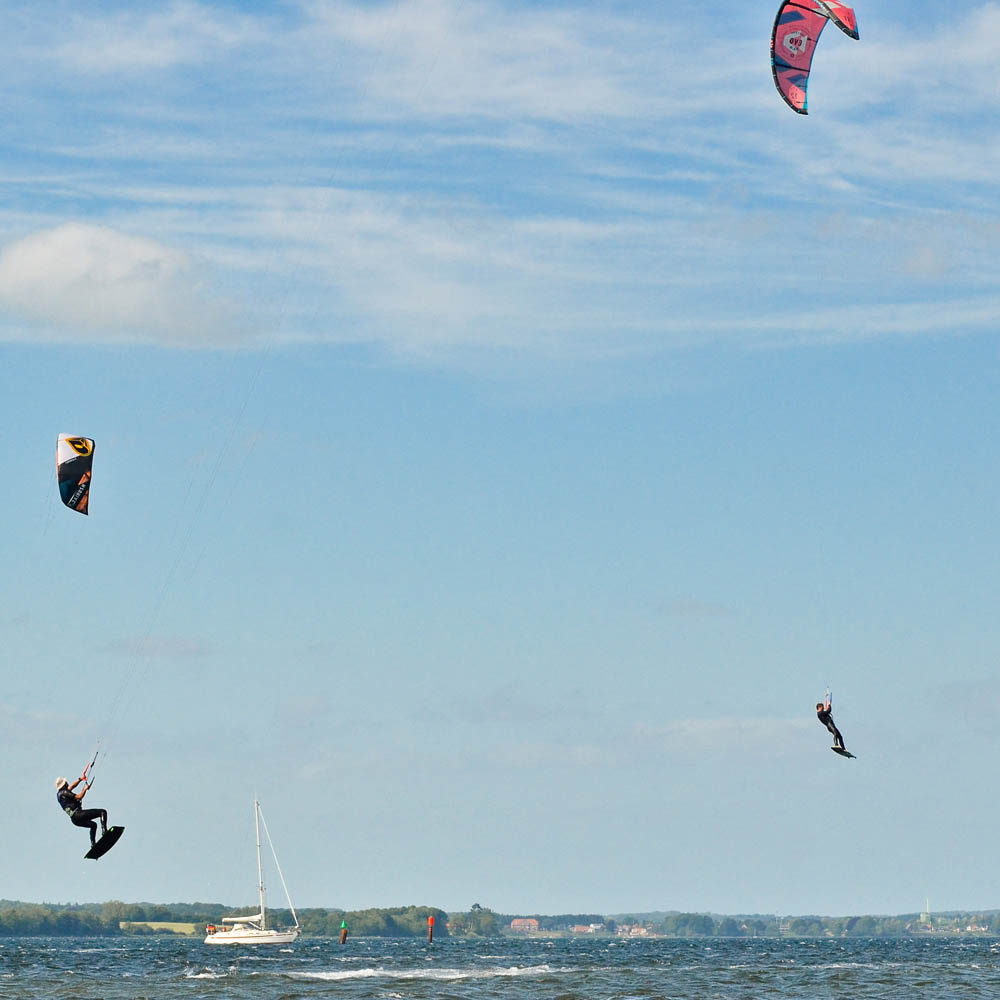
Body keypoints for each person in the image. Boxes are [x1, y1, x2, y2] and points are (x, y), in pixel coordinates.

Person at [55, 775, 107, 848]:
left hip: (74, 820)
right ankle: (105, 831)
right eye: (65, 782)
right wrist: (85, 789)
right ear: (64, 785)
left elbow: (72, 786)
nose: (67, 783)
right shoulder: (65, 792)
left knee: (93, 825)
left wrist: (80, 779)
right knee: (102, 812)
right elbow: (79, 796)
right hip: (78, 814)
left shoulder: (59, 794)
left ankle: (93, 844)